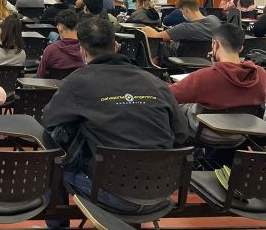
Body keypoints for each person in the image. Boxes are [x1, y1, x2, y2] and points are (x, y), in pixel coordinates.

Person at [43, 17, 188, 228]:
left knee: (52, 163)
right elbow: (182, 133)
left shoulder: (77, 82)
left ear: (82, 51)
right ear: (117, 45)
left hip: (110, 191)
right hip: (161, 189)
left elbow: (49, 121)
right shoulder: (156, 83)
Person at [170, 22, 266, 142]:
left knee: (177, 107)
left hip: (207, 133)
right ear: (241, 48)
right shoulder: (261, 74)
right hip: (242, 134)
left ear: (215, 44)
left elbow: (169, 95)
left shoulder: (204, 76)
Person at [142, 0, 221, 45]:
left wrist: (145, 28)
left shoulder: (185, 28)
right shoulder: (214, 20)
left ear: (186, 10)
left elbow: (156, 37)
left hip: (182, 59)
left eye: (181, 11)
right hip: (208, 60)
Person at [37, 9, 84, 79]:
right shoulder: (86, 49)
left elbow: (40, 76)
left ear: (60, 28)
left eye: (57, 25)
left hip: (54, 88)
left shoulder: (51, 50)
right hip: (79, 88)